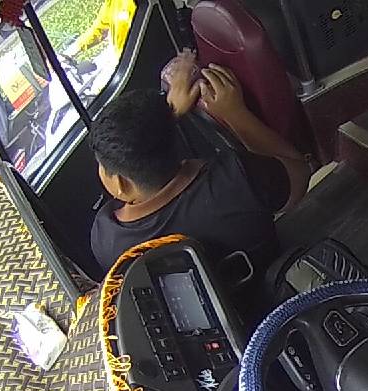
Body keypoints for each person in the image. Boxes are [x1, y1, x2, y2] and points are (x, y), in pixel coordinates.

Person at [89, 50, 310, 272]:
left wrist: (169, 116)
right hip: (280, 276)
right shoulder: (238, 177)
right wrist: (235, 113)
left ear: (120, 183)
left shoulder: (109, 240)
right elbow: (299, 174)